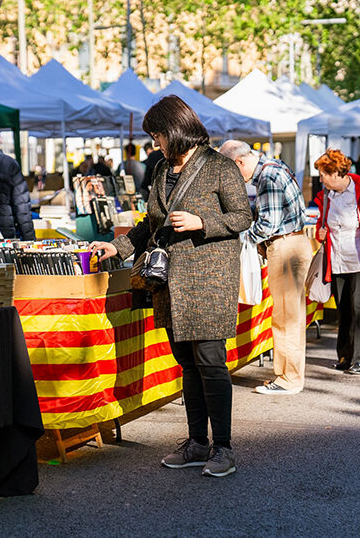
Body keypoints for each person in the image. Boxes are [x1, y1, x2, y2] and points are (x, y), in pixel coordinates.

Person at [90, 96, 252, 478]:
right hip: (169, 283)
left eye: (157, 135)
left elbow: (243, 216)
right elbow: (151, 222)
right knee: (188, 365)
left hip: (209, 281)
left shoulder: (219, 166)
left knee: (211, 364)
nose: (155, 144)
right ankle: (197, 442)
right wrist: (119, 245)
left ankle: (223, 448)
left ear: (175, 130)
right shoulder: (162, 169)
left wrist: (202, 221)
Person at [219, 140, 313, 395]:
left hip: (286, 248)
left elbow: (267, 225)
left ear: (239, 162)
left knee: (286, 318)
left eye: (232, 171)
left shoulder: (268, 176)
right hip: (290, 244)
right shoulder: (273, 167)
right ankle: (287, 376)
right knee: (288, 316)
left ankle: (288, 380)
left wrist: (240, 236)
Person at [314, 149, 360, 374]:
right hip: (336, 262)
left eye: (323, 174)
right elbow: (322, 224)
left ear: (336, 172)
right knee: (343, 310)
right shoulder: (326, 196)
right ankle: (345, 356)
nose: (320, 179)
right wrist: (320, 232)